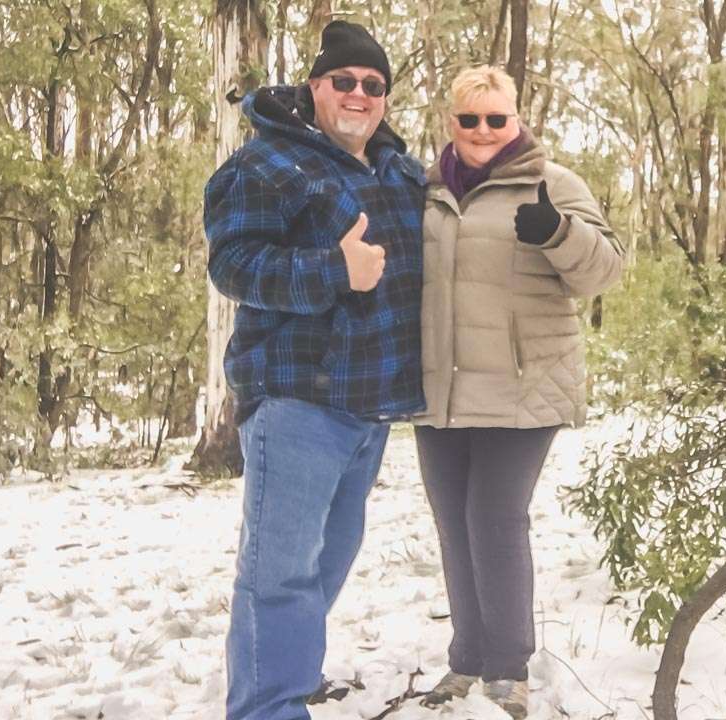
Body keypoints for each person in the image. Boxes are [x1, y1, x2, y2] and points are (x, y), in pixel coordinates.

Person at [202, 20, 426, 720]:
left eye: (373, 85)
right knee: (279, 572)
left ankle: (282, 676)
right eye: (345, 81)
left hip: (367, 407)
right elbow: (232, 265)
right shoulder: (265, 164)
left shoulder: (397, 168)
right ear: (315, 88)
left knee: (326, 563)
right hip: (297, 399)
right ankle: (267, 707)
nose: (359, 94)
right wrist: (335, 269)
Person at [413, 65, 624, 719]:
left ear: (517, 120)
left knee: (494, 520)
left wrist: (558, 233)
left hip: (524, 386)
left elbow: (606, 272)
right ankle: (465, 661)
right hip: (442, 390)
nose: (483, 131)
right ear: (451, 122)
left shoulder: (552, 184)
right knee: (454, 524)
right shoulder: (425, 191)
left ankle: (507, 670)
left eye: (496, 119)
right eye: (469, 119)